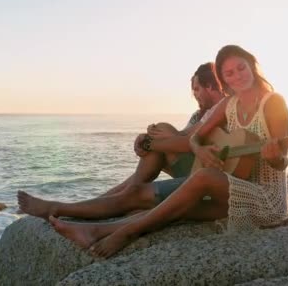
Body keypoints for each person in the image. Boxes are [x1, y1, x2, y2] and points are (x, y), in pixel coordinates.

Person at [48, 44, 288, 258]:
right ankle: (93, 231)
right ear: (224, 80)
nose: (237, 76)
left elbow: (282, 161)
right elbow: (195, 137)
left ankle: (127, 233)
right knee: (175, 209)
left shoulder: (273, 103)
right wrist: (202, 150)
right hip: (231, 188)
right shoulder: (229, 104)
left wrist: (275, 158)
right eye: (229, 73)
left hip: (265, 198)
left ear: (251, 65)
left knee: (202, 178)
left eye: (241, 67)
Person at [17, 63, 225, 220]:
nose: (194, 95)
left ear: (210, 86)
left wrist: (149, 143)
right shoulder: (200, 115)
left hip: (206, 174)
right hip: (194, 168)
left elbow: (184, 142)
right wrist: (148, 139)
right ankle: (100, 204)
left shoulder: (221, 110)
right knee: (145, 162)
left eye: (196, 89)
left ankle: (94, 206)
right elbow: (181, 136)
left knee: (158, 136)